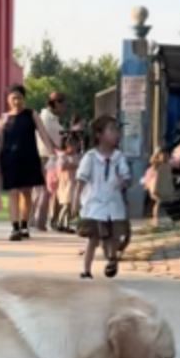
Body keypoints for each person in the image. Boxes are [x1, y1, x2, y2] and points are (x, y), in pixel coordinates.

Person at [72, 115, 131, 279]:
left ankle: (112, 259)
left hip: (113, 203)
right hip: (94, 204)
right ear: (99, 135)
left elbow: (126, 177)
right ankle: (86, 270)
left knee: (113, 236)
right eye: (111, 130)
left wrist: (123, 181)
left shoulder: (118, 157)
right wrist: (75, 201)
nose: (116, 133)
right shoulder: (90, 157)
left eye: (117, 130)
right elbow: (81, 181)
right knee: (93, 238)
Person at [0, 84, 55, 240]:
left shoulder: (31, 114)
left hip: (28, 157)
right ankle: (14, 227)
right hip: (9, 159)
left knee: (26, 192)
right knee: (13, 192)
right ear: (8, 99)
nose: (17, 101)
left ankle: (24, 224)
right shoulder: (4, 118)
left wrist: (52, 152)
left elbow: (43, 133)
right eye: (13, 98)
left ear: (24, 99)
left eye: (20, 98)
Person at [32, 91, 66, 230]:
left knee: (41, 191)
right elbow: (52, 140)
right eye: (63, 104)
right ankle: (39, 221)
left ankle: (35, 221)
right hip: (46, 157)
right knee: (44, 191)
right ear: (56, 103)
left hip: (48, 156)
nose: (65, 108)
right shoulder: (46, 118)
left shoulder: (52, 118)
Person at [53, 131, 83, 232]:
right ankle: (59, 222)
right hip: (65, 183)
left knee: (70, 205)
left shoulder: (76, 156)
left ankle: (66, 224)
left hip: (73, 183)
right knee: (66, 204)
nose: (74, 148)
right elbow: (61, 167)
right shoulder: (63, 156)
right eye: (72, 146)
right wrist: (74, 166)